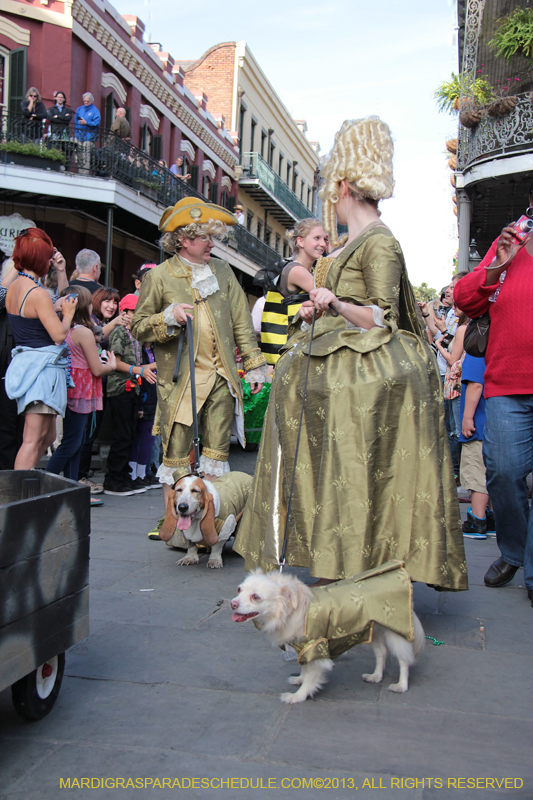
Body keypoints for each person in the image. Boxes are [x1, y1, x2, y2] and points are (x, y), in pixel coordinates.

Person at [235, 117, 468, 591]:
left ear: (343, 186)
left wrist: (337, 304)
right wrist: (316, 311)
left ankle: (354, 569)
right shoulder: (349, 245)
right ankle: (331, 560)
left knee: (355, 472)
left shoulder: (380, 241)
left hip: (362, 378)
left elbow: (382, 317)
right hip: (334, 370)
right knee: (332, 473)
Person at [131, 197, 268, 536]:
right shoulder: (160, 276)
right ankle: (172, 525)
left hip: (221, 379)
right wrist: (168, 316)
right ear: (183, 239)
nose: (212, 244)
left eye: (213, 237)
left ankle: (209, 525)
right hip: (180, 383)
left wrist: (254, 365)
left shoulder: (222, 271)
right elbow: (138, 326)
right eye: (205, 237)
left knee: (215, 456)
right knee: (176, 457)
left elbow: (241, 321)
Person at [454, 186, 533, 604]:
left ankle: (530, 570)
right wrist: (497, 266)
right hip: (506, 383)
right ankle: (514, 551)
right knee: (502, 472)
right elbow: (464, 299)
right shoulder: (510, 242)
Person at [4, 229, 77, 469]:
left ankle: (26, 482)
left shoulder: (15, 287)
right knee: (33, 439)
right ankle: (19, 489)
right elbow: (59, 334)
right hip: (42, 369)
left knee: (45, 437)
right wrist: (68, 315)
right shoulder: (37, 293)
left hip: (29, 364)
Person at [46, 286, 116, 499]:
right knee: (72, 443)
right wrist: (111, 365)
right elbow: (97, 369)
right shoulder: (83, 332)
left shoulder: (64, 327)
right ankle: (45, 484)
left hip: (69, 388)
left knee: (75, 442)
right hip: (81, 390)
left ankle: (72, 489)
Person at [103, 294, 157, 496]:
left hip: (133, 388)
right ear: (125, 313)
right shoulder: (119, 332)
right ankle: (113, 479)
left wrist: (149, 367)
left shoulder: (135, 335)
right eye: (135, 311)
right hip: (120, 389)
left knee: (130, 435)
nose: (139, 315)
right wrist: (139, 370)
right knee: (122, 436)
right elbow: (115, 363)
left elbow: (136, 365)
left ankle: (125, 476)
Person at [260, 218, 328, 365]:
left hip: (292, 353)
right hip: (285, 355)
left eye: (325, 239)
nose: (323, 244)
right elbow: (330, 295)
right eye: (317, 238)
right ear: (300, 241)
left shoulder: (308, 271)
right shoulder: (296, 270)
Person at [76, 286, 124, 493]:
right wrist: (116, 322)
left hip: (97, 386)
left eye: (115, 302)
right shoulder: (90, 322)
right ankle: (78, 477)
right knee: (84, 434)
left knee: (90, 433)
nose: (112, 306)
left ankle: (81, 475)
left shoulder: (102, 322)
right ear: (96, 302)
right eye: (107, 301)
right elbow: (97, 337)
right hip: (85, 386)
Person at [458, 355, 495, 539]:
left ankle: (477, 520)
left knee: (477, 472)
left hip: (478, 424)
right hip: (495, 422)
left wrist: (467, 418)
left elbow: (475, 385)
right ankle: (493, 518)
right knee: (493, 474)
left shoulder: (476, 352)